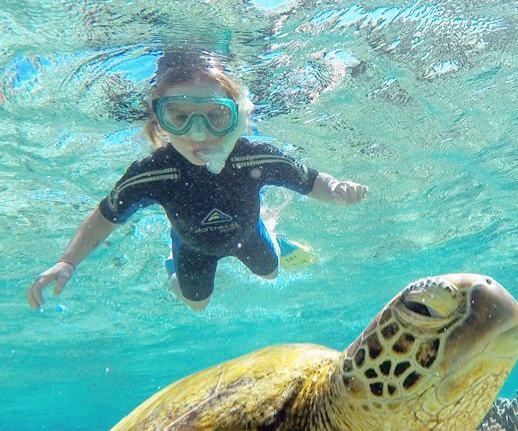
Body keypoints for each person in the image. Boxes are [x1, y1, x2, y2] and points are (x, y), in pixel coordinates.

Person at [27, 50, 367, 312]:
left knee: (271, 272)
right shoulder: (154, 173)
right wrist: (68, 260)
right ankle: (172, 269)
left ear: (235, 117)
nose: (199, 133)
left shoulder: (253, 156)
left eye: (215, 116)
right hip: (193, 248)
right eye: (180, 117)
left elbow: (308, 180)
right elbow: (106, 216)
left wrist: (335, 190)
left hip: (246, 234)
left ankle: (272, 229)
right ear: (160, 119)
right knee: (196, 305)